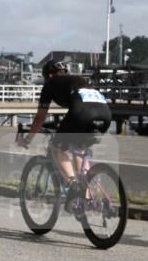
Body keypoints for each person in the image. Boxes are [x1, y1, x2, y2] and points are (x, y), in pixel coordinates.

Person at [17, 61, 112, 200]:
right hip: (105, 114)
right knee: (79, 149)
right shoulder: (77, 80)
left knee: (58, 148)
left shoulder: (50, 83)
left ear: (49, 75)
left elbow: (40, 118)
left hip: (82, 113)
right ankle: (84, 199)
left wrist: (27, 140)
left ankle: (72, 184)